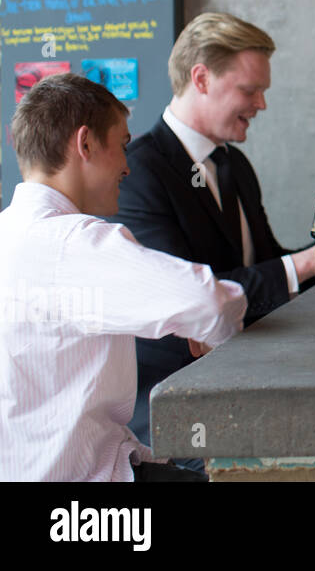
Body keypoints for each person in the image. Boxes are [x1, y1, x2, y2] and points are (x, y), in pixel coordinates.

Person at [0, 74, 246, 481]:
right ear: (86, 144)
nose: (128, 167)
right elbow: (211, 304)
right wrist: (213, 324)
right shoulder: (77, 243)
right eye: (123, 145)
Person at [110, 12, 315, 443]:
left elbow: (266, 267)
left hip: (249, 377)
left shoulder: (234, 164)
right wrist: (311, 261)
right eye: (250, 90)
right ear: (201, 78)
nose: (261, 104)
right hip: (174, 406)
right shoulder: (139, 171)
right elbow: (192, 302)